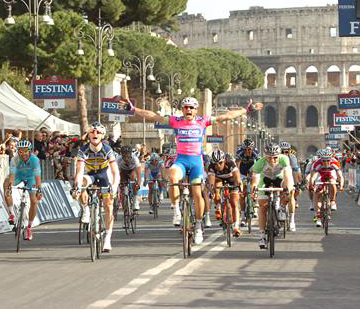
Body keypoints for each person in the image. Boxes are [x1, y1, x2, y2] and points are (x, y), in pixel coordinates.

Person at [122, 96, 262, 245]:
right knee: (172, 176)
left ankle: (199, 226)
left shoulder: (203, 121)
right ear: (182, 109)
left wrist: (245, 110)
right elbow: (153, 116)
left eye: (191, 107)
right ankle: (176, 211)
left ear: (195, 110)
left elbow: (225, 116)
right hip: (181, 160)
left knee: (197, 194)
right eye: (185, 107)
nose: (188, 110)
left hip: (196, 163)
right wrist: (134, 109)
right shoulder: (175, 121)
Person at [74, 122, 120, 252]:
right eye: (92, 132)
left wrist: (115, 186)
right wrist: (77, 186)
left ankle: (107, 238)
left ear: (102, 135)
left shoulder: (107, 149)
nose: (95, 134)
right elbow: (79, 171)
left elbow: (115, 172)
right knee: (82, 182)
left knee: (108, 205)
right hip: (90, 174)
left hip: (105, 175)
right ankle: (86, 209)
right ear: (88, 134)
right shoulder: (83, 150)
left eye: (98, 132)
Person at [252, 143, 295, 249]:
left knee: (288, 188)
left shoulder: (284, 159)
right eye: (269, 158)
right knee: (262, 207)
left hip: (279, 179)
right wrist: (254, 189)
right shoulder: (260, 162)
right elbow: (255, 179)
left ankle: (281, 208)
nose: (272, 160)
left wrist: (288, 188)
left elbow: (287, 175)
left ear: (279, 155)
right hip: (265, 180)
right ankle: (262, 236)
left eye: (275, 157)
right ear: (265, 156)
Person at [3, 140, 42, 241]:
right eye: (20, 151)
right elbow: (12, 175)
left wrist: (39, 189)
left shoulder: (35, 160)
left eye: (25, 151)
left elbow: (37, 176)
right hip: (18, 176)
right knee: (6, 182)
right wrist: (10, 187)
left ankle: (29, 227)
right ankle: (11, 214)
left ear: (29, 151)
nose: (23, 154)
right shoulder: (14, 159)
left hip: (31, 178)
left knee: (34, 201)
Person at [207, 149, 242, 237]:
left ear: (224, 161)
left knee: (234, 202)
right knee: (216, 189)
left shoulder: (230, 163)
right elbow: (211, 182)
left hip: (231, 179)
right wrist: (211, 191)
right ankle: (219, 206)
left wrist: (238, 186)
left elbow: (237, 177)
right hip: (219, 179)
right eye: (215, 164)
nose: (218, 166)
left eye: (220, 163)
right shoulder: (211, 166)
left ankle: (236, 226)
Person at [308, 150, 342, 227]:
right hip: (320, 174)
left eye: (328, 161)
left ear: (331, 159)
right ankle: (318, 217)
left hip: (331, 173)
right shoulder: (317, 163)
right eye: (324, 161)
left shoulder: (334, 163)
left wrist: (341, 185)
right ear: (321, 159)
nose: (326, 163)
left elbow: (340, 176)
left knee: (332, 183)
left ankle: (332, 201)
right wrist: (311, 185)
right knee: (318, 194)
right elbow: (313, 177)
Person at [116, 145, 143, 211]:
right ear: (121, 154)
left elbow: (139, 174)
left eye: (128, 155)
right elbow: (116, 173)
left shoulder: (135, 159)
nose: (126, 158)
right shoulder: (118, 159)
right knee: (121, 182)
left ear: (131, 154)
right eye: (124, 155)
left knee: (133, 177)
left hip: (132, 169)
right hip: (123, 170)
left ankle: (135, 201)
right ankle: (124, 198)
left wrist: (138, 185)